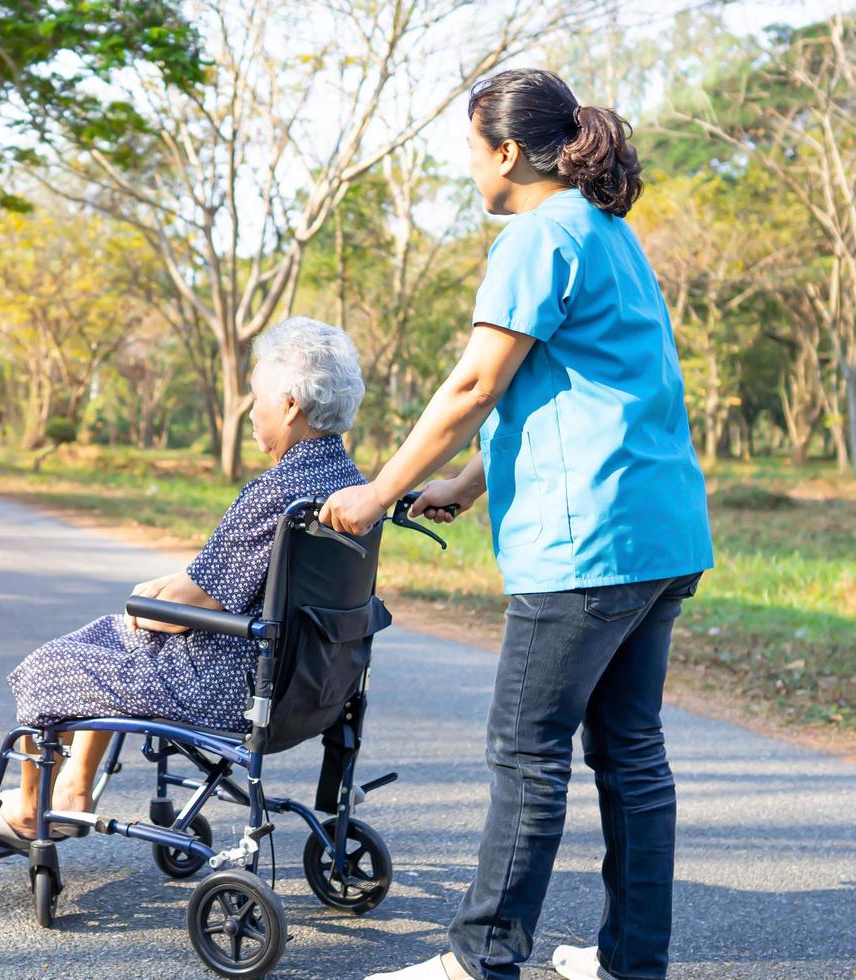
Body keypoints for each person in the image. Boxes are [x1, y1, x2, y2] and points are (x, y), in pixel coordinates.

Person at [319, 69, 714, 980]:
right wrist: (465, 482)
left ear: (504, 152)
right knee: (631, 755)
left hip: (586, 548)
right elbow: (579, 393)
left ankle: (478, 963)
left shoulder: (537, 237)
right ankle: (629, 964)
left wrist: (379, 491)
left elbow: (477, 384)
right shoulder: (610, 232)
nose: (468, 170)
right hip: (658, 534)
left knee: (528, 753)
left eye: (469, 151)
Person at [0, 316, 371, 847]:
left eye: (257, 397)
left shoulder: (275, 492)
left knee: (59, 661)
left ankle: (31, 808)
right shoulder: (351, 487)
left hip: (234, 684)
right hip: (319, 686)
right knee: (110, 643)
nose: (251, 411)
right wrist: (169, 589)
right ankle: (75, 791)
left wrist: (142, 605)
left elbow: (183, 610)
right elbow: (240, 576)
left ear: (290, 405)